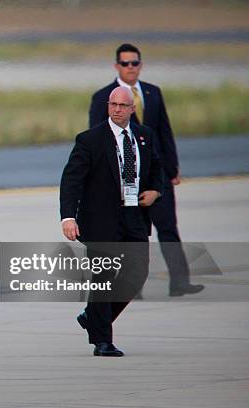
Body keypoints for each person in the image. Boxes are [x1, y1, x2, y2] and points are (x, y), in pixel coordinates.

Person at [89, 43, 203, 297]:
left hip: (157, 176)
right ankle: (132, 285)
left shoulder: (153, 93)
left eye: (135, 63)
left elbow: (165, 132)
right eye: (126, 63)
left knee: (168, 228)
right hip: (126, 178)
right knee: (131, 233)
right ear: (116, 66)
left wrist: (171, 169)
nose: (131, 68)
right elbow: (97, 141)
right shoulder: (103, 97)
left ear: (141, 65)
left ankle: (180, 282)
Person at [60, 87, 162, 356]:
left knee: (136, 274)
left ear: (132, 109)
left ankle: (92, 317)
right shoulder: (89, 140)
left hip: (133, 216)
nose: (117, 109)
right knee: (103, 279)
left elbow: (155, 168)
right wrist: (68, 217)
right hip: (100, 220)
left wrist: (155, 190)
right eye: (112, 104)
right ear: (108, 106)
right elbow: (71, 181)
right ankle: (102, 341)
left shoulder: (144, 136)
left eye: (122, 105)